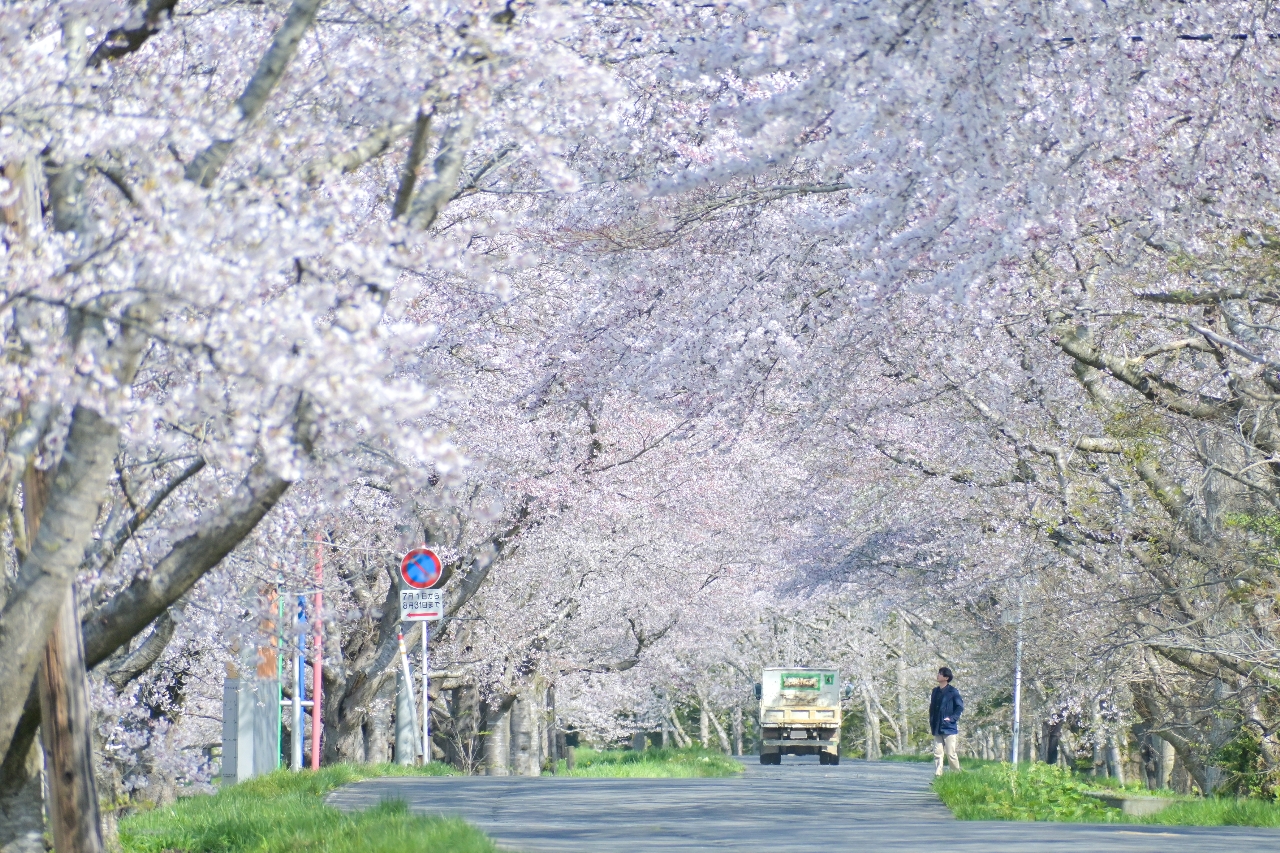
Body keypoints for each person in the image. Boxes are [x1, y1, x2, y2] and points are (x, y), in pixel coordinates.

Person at [929, 667, 963, 775]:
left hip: (949, 727)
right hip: (937, 726)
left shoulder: (953, 691)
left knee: (950, 753)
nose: (938, 675)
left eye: (940, 674)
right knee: (937, 752)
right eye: (938, 673)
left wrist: (951, 718)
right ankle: (938, 774)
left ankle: (956, 774)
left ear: (946, 678)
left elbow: (959, 707)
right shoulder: (935, 691)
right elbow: (932, 708)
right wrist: (932, 720)